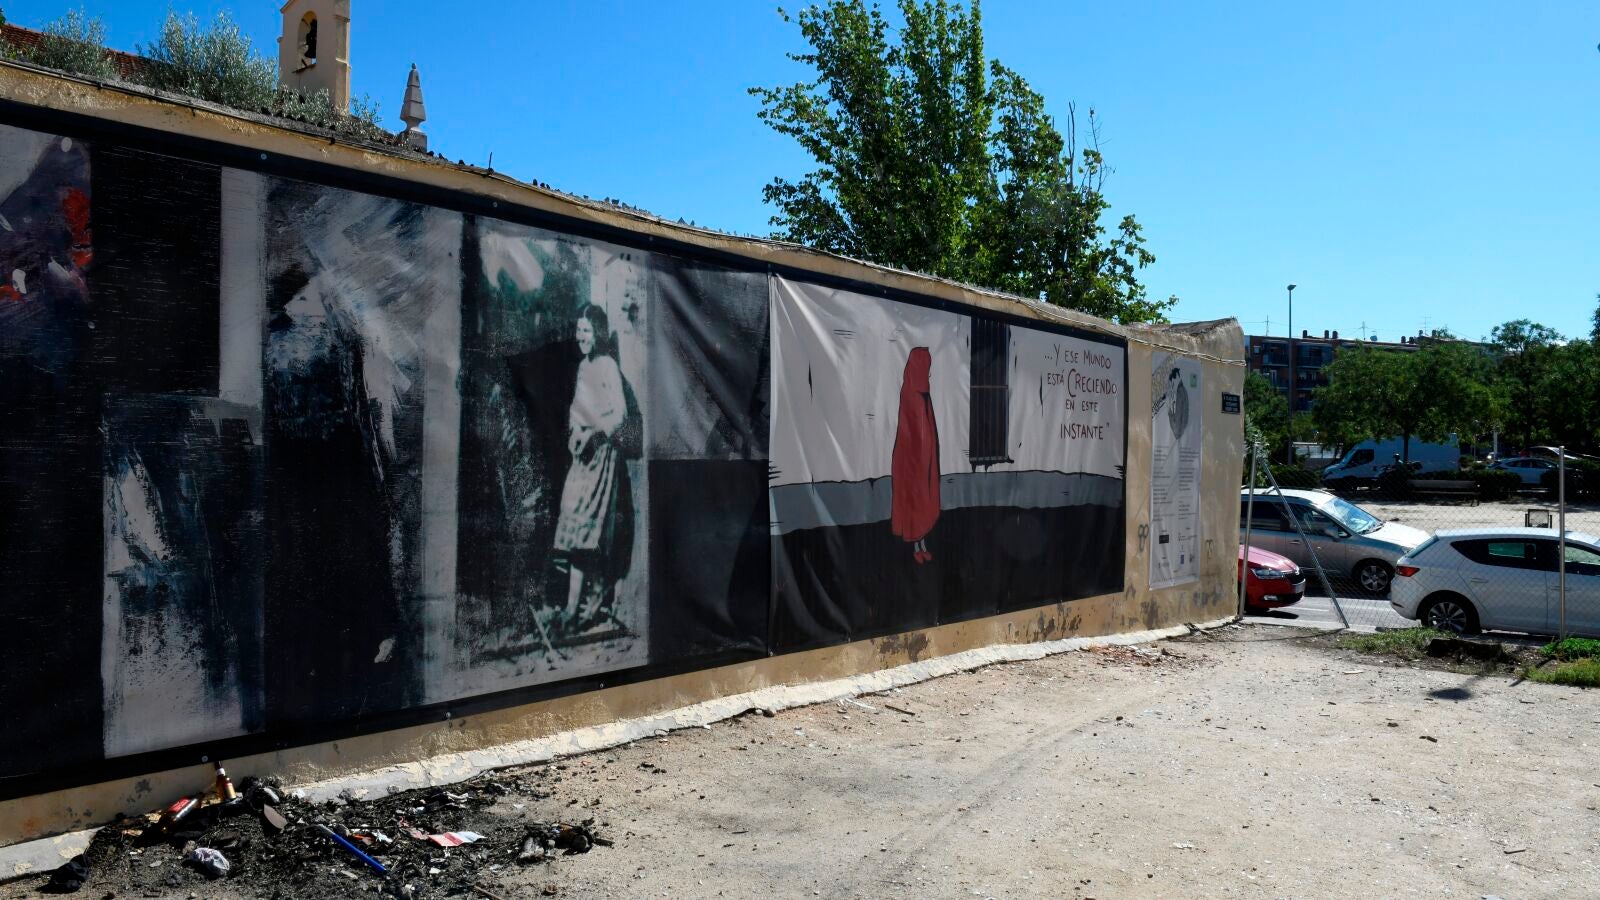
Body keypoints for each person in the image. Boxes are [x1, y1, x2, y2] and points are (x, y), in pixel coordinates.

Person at [552, 304, 634, 630]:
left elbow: (620, 414)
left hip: (602, 454)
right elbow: (577, 409)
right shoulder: (583, 368)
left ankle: (587, 606)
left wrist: (594, 435)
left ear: (598, 332)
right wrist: (575, 434)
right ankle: (572, 607)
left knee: (591, 529)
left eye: (586, 330)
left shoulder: (608, 367)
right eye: (578, 330)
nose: (581, 337)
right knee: (572, 522)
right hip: (582, 455)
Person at [891, 347, 940, 563]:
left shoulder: (922, 394)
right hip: (912, 463)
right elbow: (913, 431)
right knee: (915, 502)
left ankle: (922, 544)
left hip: (924, 461)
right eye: (927, 367)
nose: (929, 373)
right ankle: (916, 547)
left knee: (923, 501)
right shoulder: (911, 393)